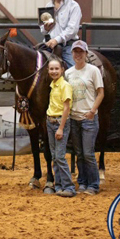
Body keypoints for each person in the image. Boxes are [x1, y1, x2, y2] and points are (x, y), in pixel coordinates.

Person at [65, 40, 104, 195]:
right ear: (72, 54)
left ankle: (93, 184)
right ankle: (82, 182)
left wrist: (93, 110)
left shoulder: (93, 71)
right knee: (79, 153)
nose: (78, 54)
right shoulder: (68, 73)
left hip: (88, 118)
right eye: (76, 51)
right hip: (74, 118)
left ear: (86, 54)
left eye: (81, 52)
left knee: (88, 153)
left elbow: (100, 92)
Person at [46, 57, 76, 197]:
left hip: (59, 122)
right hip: (50, 121)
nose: (54, 71)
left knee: (60, 156)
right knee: (54, 156)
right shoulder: (53, 85)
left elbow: (66, 108)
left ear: (62, 70)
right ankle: (59, 186)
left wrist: (61, 128)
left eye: (56, 68)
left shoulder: (65, 86)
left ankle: (69, 187)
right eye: (51, 69)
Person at [40, 0, 82, 68]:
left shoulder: (74, 6)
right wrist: (45, 29)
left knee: (73, 72)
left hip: (67, 46)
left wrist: (56, 40)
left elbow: (72, 29)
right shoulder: (48, 6)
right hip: (49, 45)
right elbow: (42, 30)